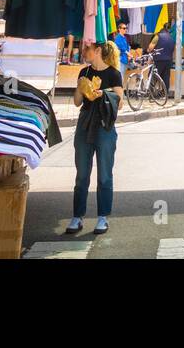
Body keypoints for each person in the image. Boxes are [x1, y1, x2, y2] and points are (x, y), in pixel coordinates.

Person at [68, 41, 124, 235]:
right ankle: (77, 216)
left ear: (98, 51)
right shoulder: (84, 72)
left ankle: (102, 217)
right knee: (82, 174)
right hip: (84, 124)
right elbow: (77, 102)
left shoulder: (113, 74)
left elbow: (120, 101)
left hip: (104, 126)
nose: (84, 52)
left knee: (104, 174)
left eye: (88, 49)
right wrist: (80, 86)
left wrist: (102, 93)